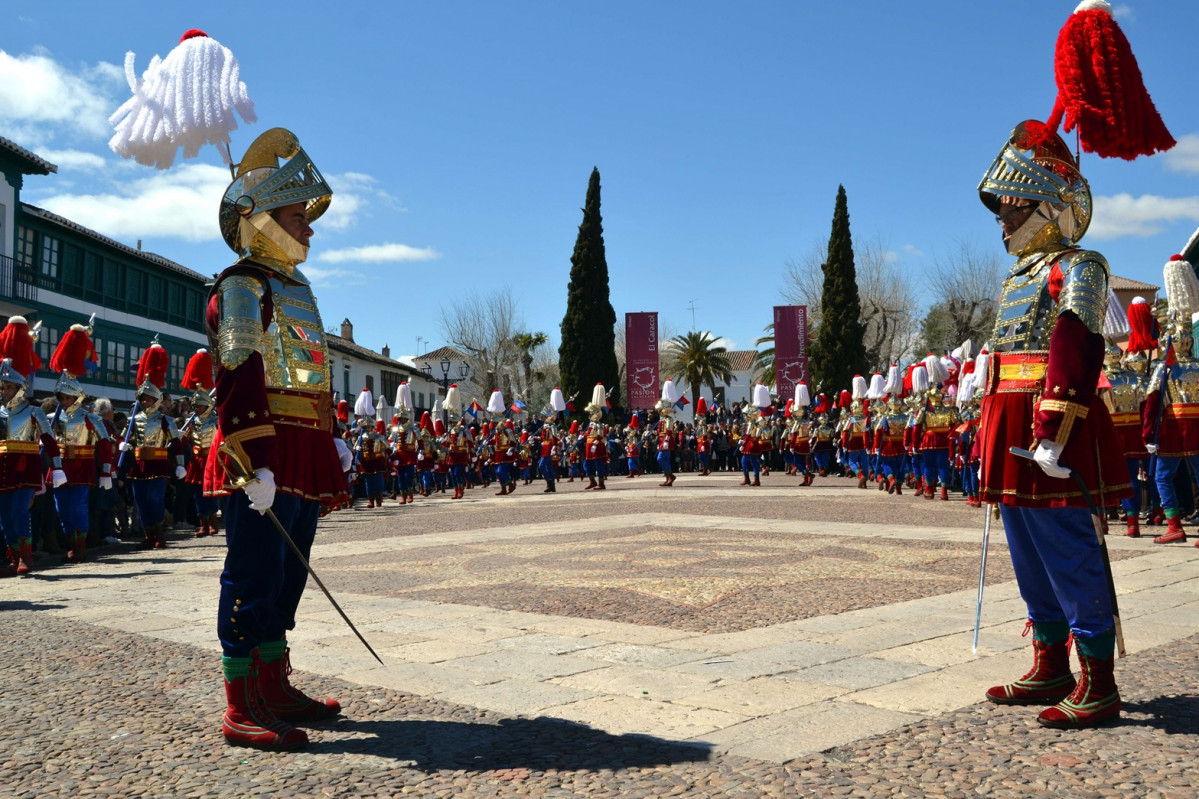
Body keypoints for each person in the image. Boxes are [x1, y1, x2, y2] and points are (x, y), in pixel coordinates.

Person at [976, 120, 1132, 728]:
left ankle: (1098, 679)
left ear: (1044, 207)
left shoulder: (1081, 265)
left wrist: (1053, 423)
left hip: (1050, 424)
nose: (1002, 221)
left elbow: (1074, 344)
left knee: (1066, 547)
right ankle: (1051, 662)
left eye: (1011, 210)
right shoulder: (1018, 276)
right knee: (1026, 551)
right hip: (1008, 418)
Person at [204, 128, 351, 750]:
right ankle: (241, 702)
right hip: (262, 449)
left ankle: (274, 681)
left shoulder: (297, 289)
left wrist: (333, 432)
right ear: (260, 223)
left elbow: (310, 373)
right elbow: (240, 376)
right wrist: (251, 459)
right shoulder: (243, 286)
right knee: (253, 570)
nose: (310, 230)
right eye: (298, 218)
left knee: (289, 571)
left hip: (303, 443)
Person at [48, 322, 114, 563]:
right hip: (60, 467)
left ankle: (80, 544)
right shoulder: (51, 418)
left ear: (77, 397)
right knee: (61, 508)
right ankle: (69, 539)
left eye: (68, 396)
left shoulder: (91, 418)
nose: (64, 400)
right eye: (62, 397)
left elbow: (105, 444)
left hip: (83, 465)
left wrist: (106, 472)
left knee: (78, 507)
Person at [122, 341, 186, 550]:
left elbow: (176, 443)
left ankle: (159, 534)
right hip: (139, 463)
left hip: (158, 463)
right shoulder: (134, 418)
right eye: (143, 399)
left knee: (154, 499)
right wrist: (125, 445)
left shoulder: (165, 419)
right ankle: (148, 533)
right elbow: (125, 437)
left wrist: (180, 464)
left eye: (150, 399)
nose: (146, 402)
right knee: (140, 500)